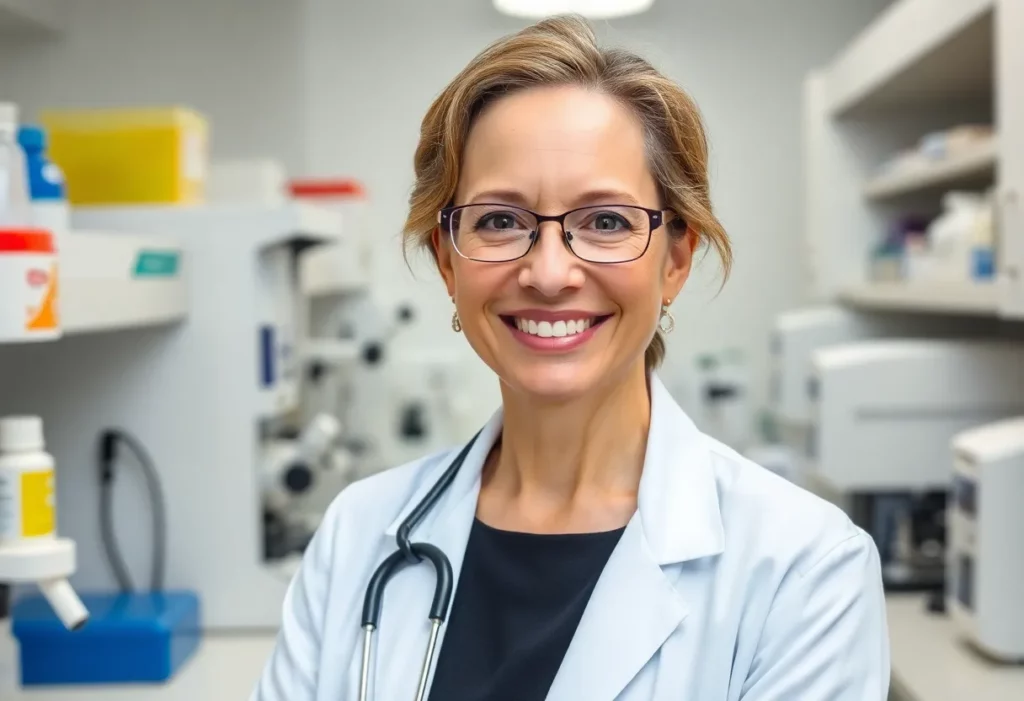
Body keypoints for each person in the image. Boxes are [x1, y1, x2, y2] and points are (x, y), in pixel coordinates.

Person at [252, 15, 889, 701]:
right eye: (500, 220)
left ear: (675, 258)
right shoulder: (356, 535)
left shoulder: (804, 568)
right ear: (448, 261)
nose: (549, 271)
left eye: (606, 221)